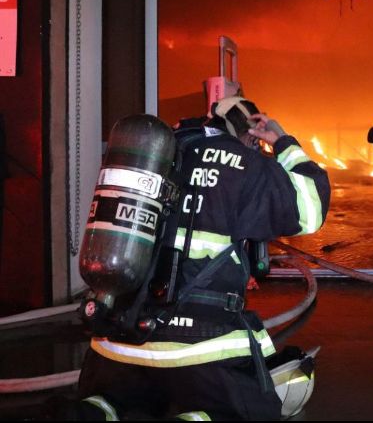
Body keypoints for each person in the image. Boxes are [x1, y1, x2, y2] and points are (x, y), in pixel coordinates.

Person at [75, 99, 330, 420]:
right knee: (251, 411)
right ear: (251, 136)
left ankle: (97, 408)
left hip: (115, 342)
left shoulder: (153, 154)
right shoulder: (241, 162)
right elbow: (311, 207)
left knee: (112, 403)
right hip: (202, 349)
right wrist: (282, 142)